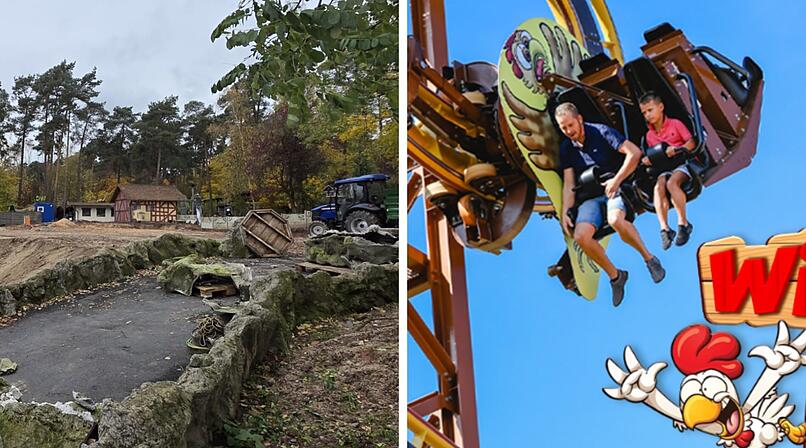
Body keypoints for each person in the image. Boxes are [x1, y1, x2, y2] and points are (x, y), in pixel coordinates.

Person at [556, 102, 665, 307]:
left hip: (614, 188)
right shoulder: (566, 149)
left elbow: (634, 153)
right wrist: (565, 212)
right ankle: (616, 277)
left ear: (579, 119)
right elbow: (569, 183)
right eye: (564, 128)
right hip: (590, 196)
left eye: (571, 125)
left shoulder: (601, 132)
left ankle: (649, 259)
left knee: (615, 220)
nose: (569, 131)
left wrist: (617, 180)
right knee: (580, 236)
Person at [639, 92, 696, 249]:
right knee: (658, 187)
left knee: (672, 184)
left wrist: (677, 149)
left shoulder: (675, 124)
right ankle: (664, 228)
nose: (647, 115)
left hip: (680, 164)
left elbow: (691, 143)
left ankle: (683, 223)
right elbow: (652, 154)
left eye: (650, 110)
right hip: (663, 167)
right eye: (644, 112)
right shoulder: (649, 136)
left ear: (661, 107)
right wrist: (648, 159)